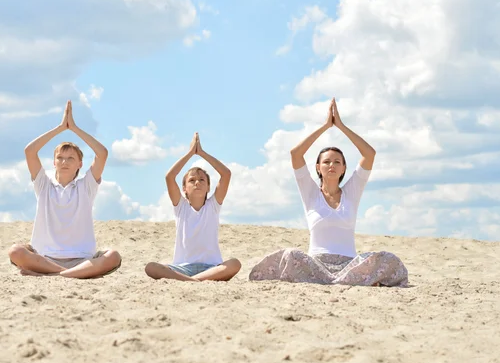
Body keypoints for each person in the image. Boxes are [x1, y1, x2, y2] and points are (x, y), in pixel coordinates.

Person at [249, 98, 408, 287]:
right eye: (326, 162)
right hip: (316, 265)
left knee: (387, 258)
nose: (331, 165)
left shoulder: (352, 191)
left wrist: (340, 126)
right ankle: (338, 281)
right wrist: (325, 126)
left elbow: (369, 154)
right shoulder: (310, 192)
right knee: (291, 254)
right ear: (318, 167)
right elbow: (295, 154)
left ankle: (338, 280)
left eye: (337, 162)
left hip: (350, 265)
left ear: (343, 169)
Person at [8, 100, 122, 279]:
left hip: (82, 260)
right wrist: (61, 128)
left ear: (80, 164)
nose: (64, 162)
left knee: (113, 256)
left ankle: (57, 274)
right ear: (53, 163)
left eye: (70, 158)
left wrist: (74, 128)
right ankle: (63, 273)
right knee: (15, 251)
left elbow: (102, 153)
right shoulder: (44, 185)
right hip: (45, 259)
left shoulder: (86, 187)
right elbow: (30, 151)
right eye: (60, 158)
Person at [145, 133, 241, 282]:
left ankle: (193, 280)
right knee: (151, 267)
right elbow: (169, 176)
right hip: (182, 268)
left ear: (209, 187)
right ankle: (194, 280)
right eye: (192, 180)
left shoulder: (213, 206)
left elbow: (226, 174)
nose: (197, 182)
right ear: (184, 188)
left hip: (211, 268)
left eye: (202, 180)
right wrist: (190, 153)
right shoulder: (180, 207)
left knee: (235, 263)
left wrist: (201, 153)